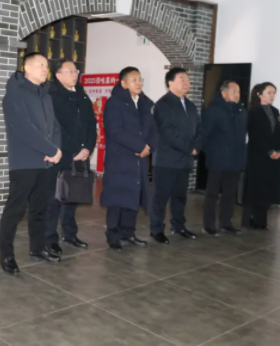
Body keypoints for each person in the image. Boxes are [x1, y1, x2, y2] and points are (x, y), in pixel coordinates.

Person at [0, 52, 62, 275]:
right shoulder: (15, 94)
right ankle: (6, 255)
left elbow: (54, 125)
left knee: (40, 208)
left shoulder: (46, 95)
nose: (45, 69)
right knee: (15, 210)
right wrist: (50, 149)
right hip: (24, 162)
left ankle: (37, 247)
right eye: (40, 65)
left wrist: (55, 150)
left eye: (46, 66)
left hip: (46, 162)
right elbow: (23, 128)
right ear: (27, 68)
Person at [100, 67, 158, 251]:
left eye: (140, 79)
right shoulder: (114, 103)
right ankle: (113, 234)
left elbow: (154, 129)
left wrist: (149, 147)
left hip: (140, 159)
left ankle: (128, 232)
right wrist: (139, 146)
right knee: (117, 198)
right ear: (123, 83)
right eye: (134, 80)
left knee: (134, 196)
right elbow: (115, 131)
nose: (138, 83)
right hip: (121, 158)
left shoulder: (145, 103)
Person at [45, 59, 96, 255]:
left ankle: (69, 234)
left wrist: (88, 148)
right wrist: (76, 148)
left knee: (73, 196)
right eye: (70, 71)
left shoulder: (82, 96)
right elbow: (55, 127)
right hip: (61, 154)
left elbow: (92, 124)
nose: (75, 75)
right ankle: (50, 238)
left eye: (76, 71)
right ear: (58, 75)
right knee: (54, 198)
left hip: (81, 154)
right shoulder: (52, 96)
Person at [150, 67, 201, 244]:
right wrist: (189, 148)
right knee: (161, 197)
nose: (187, 83)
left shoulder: (191, 106)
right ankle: (157, 230)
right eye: (182, 79)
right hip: (167, 159)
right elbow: (167, 132)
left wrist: (196, 146)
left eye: (187, 80)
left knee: (180, 197)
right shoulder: (163, 104)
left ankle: (178, 226)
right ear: (170, 83)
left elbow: (199, 129)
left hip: (184, 160)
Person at [201, 80, 246, 236]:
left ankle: (226, 223)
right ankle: (209, 225)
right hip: (218, 160)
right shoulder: (213, 111)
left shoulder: (241, 111)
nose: (237, 95)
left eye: (238, 92)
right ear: (224, 93)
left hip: (235, 159)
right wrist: (212, 152)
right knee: (212, 194)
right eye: (234, 91)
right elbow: (204, 134)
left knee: (229, 194)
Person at [242, 82, 280, 230]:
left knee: (268, 188)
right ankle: (251, 219)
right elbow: (255, 134)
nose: (272, 96)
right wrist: (269, 151)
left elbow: (279, 132)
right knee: (256, 187)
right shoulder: (253, 111)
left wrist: (279, 150)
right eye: (269, 92)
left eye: (274, 93)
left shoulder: (275, 111)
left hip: (273, 156)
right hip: (258, 155)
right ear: (259, 94)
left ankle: (261, 221)